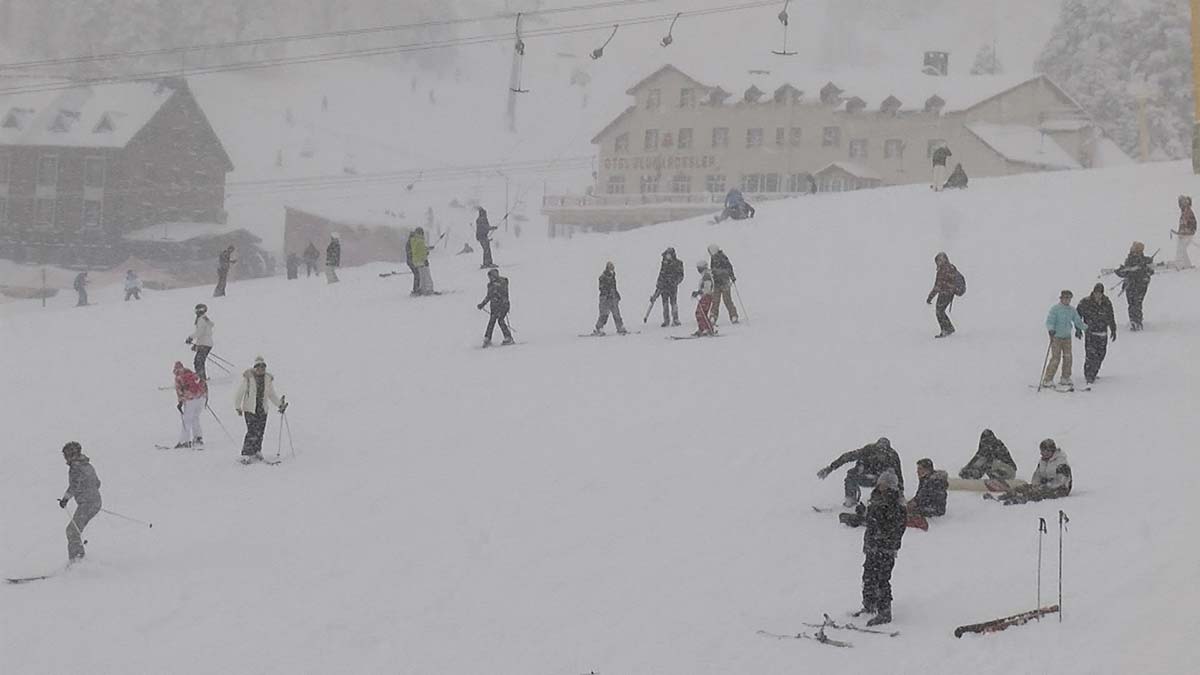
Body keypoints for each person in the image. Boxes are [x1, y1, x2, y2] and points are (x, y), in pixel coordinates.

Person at [857, 471, 906, 626]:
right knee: (868, 575)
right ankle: (869, 604)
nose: (880, 485)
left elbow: (897, 526)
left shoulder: (895, 503)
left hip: (885, 548)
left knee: (882, 578)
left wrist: (884, 537)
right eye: (880, 482)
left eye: (883, 483)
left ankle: (885, 611)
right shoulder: (876, 498)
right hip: (873, 545)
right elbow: (871, 520)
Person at [817, 437, 904, 509]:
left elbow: (898, 474)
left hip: (881, 481)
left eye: (883, 452)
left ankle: (884, 500)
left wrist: (900, 493)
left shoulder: (892, 456)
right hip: (864, 476)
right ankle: (850, 499)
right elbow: (847, 457)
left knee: (889, 477)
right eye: (879, 451)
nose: (881, 454)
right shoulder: (867, 450)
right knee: (851, 474)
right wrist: (830, 468)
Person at [234, 356, 286, 464]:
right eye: (259, 367)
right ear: (255, 368)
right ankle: (246, 453)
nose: (261, 369)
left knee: (260, 431)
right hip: (250, 409)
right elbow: (240, 392)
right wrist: (238, 406)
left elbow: (271, 394)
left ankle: (257, 450)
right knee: (252, 431)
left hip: (262, 409)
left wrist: (280, 404)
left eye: (263, 367)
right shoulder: (249, 378)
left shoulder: (267, 379)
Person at [991, 439, 1072, 506]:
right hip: (1046, 485)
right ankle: (1009, 495)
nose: (1043, 453)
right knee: (1026, 487)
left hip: (1060, 489)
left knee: (1040, 492)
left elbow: (1061, 481)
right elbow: (1037, 475)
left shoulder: (1061, 462)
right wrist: (1034, 485)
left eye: (1045, 451)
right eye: (1042, 451)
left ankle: (1023, 499)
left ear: (1051, 451)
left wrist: (1046, 486)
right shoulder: (1043, 461)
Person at [58, 441, 101, 563]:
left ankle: (77, 562)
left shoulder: (75, 467)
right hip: (94, 503)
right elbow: (98, 483)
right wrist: (90, 496)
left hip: (88, 504)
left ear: (72, 454)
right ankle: (78, 559)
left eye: (66, 455)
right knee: (74, 530)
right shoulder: (87, 464)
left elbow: (74, 486)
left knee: (72, 531)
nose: (65, 458)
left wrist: (65, 499)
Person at [1042, 290, 1087, 390]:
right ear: (1061, 298)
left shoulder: (1071, 310)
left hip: (1067, 337)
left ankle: (1065, 377)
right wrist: (1051, 329)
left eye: (1069, 298)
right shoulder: (1055, 309)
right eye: (1065, 298)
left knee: (1068, 357)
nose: (1067, 300)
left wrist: (1086, 328)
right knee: (1055, 358)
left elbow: (1077, 321)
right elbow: (1050, 321)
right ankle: (1048, 379)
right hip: (1056, 337)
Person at [1076, 282, 1117, 385]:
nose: (1098, 295)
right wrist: (1078, 329)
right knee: (1090, 355)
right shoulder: (1085, 302)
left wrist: (1113, 329)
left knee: (1101, 355)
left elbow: (1111, 316)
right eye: (1096, 292)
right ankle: (1089, 375)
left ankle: (1094, 372)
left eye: (1100, 293)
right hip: (1090, 333)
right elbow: (1077, 316)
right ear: (1093, 292)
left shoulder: (1107, 302)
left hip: (1103, 333)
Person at [1114, 241, 1155, 331]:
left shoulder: (1145, 260)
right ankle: (1134, 321)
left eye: (1135, 248)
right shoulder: (1130, 259)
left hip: (1140, 285)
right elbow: (1125, 272)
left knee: (1136, 303)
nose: (1133, 250)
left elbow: (1151, 271)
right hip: (1130, 285)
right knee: (1132, 303)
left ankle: (1137, 321)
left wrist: (1143, 271)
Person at [925, 252, 963, 338]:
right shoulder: (951, 267)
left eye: (939, 260)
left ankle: (946, 330)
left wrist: (930, 297)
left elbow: (938, 285)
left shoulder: (943, 270)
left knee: (939, 312)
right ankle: (949, 328)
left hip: (945, 293)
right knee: (941, 311)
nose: (938, 262)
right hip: (950, 293)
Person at [173, 361, 207, 448]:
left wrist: (180, 402)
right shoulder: (192, 374)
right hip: (201, 398)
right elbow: (203, 384)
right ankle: (198, 437)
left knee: (187, 420)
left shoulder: (178, 377)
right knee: (195, 417)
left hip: (190, 399)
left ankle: (184, 441)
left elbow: (179, 391)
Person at [478, 268, 514, 347]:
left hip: (503, 305)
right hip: (494, 306)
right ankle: (487, 338)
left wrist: (498, 296)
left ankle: (508, 337)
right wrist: (482, 304)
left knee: (500, 320)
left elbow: (503, 293)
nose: (490, 278)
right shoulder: (490, 285)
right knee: (492, 321)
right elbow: (489, 296)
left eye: (492, 276)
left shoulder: (502, 282)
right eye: (489, 277)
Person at [592, 261, 627, 335]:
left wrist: (616, 294)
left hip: (613, 298)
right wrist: (607, 293)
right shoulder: (602, 277)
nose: (612, 270)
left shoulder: (613, 276)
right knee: (604, 314)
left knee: (616, 313)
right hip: (605, 299)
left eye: (613, 269)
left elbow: (614, 286)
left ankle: (620, 327)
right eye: (610, 269)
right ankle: (599, 328)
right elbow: (601, 288)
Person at [707, 244, 738, 324]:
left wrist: (732, 276)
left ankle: (733, 315)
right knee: (715, 300)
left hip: (724, 282)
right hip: (717, 283)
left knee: (727, 300)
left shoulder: (723, 257)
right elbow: (713, 270)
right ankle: (713, 316)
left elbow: (729, 267)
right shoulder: (713, 258)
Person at [654, 247, 685, 327]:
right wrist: (659, 284)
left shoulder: (678, 263)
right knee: (665, 304)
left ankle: (675, 319)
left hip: (672, 287)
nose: (668, 256)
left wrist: (674, 282)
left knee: (673, 303)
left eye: (669, 255)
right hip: (663, 287)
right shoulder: (664, 263)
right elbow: (661, 274)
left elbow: (680, 276)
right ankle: (666, 320)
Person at [185, 303, 214, 381]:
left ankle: (201, 379)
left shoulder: (201, 319)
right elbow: (203, 333)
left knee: (198, 362)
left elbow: (200, 332)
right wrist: (197, 345)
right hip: (206, 343)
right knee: (199, 361)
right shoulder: (205, 319)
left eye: (197, 310)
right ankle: (201, 377)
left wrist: (190, 338)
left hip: (204, 344)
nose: (196, 312)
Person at [691, 260, 717, 337]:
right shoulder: (705, 275)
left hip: (707, 297)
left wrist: (699, 292)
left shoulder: (707, 276)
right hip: (705, 296)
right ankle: (704, 328)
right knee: (702, 313)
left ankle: (706, 329)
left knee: (700, 313)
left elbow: (707, 288)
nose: (698, 270)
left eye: (699, 268)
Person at [408, 227, 435, 295]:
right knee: (427, 276)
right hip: (422, 261)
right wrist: (425, 258)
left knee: (421, 276)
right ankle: (429, 290)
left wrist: (426, 249)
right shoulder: (420, 240)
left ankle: (422, 289)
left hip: (416, 261)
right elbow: (421, 251)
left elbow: (417, 250)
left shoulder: (413, 240)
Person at [1174, 194, 1195, 269]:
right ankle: (1187, 265)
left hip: (1187, 234)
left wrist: (1183, 232)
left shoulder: (1187, 211)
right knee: (1182, 249)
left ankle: (1179, 265)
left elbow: (1186, 224)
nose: (1179, 204)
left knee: (1180, 249)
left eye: (1180, 202)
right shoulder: (1186, 211)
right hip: (1187, 234)